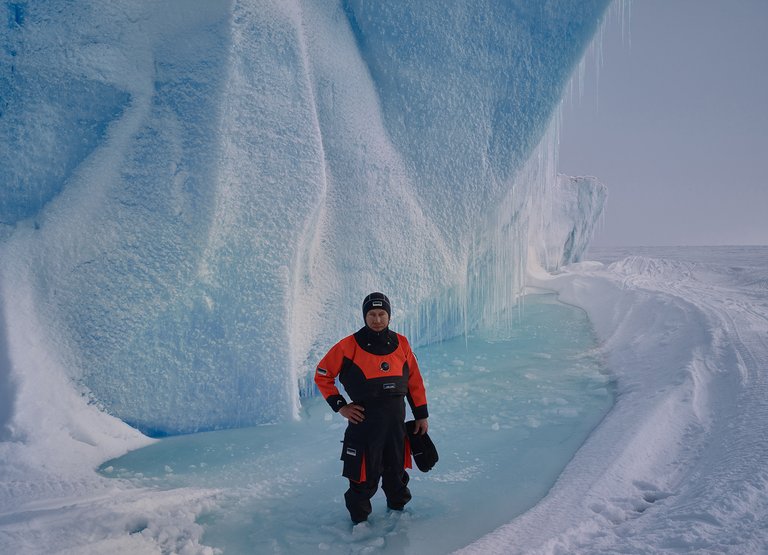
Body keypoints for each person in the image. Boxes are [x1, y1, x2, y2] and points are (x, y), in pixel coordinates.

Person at [315, 292, 429, 524]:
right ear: (364, 316)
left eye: (381, 314)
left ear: (389, 316)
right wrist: (342, 406)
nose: (377, 319)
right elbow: (322, 375)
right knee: (363, 478)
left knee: (396, 474)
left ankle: (399, 518)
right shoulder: (348, 346)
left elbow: (415, 382)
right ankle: (358, 527)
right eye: (372, 314)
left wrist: (421, 416)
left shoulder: (402, 343)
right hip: (364, 427)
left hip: (395, 427)